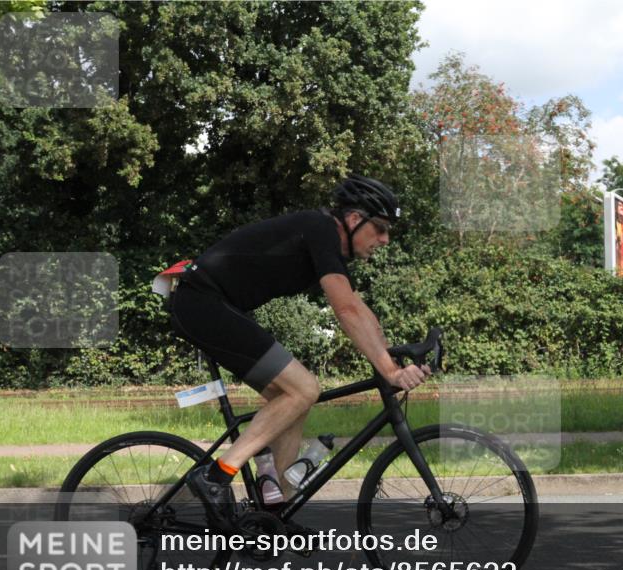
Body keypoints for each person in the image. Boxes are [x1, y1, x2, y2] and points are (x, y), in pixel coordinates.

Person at [168, 175, 431, 523]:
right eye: (380, 228)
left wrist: (391, 356)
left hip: (211, 306)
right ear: (354, 220)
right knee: (305, 388)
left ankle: (275, 510)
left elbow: (358, 308)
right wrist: (390, 370)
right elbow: (346, 310)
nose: (385, 238)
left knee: (292, 401)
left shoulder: (326, 241)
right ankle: (217, 475)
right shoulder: (321, 228)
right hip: (202, 302)